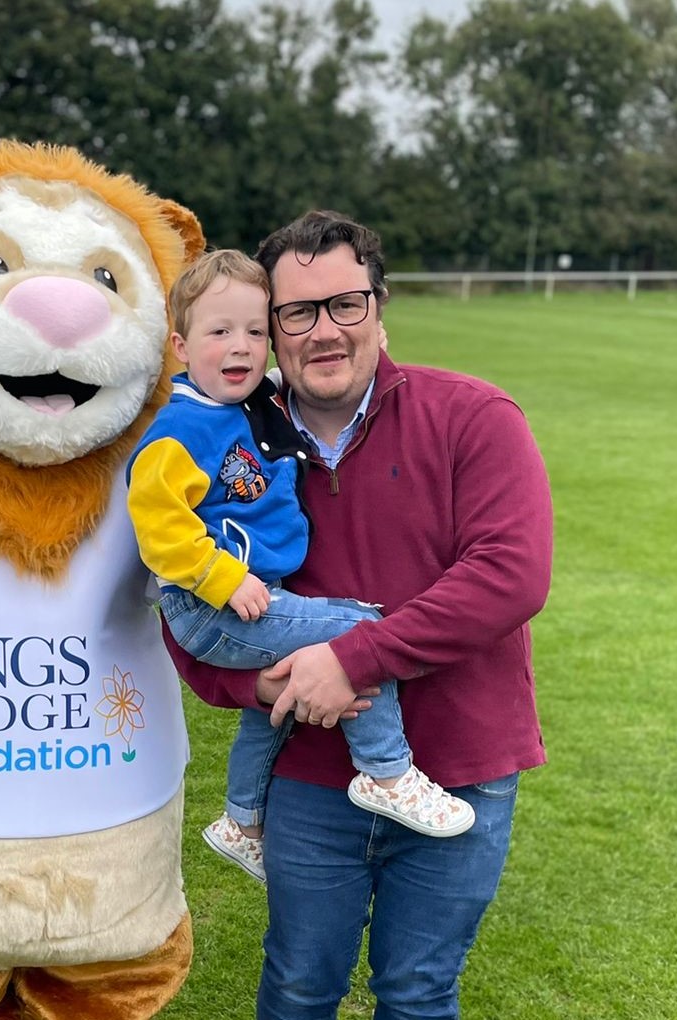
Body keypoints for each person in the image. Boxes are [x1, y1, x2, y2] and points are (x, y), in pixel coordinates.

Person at [165, 212, 553, 1019]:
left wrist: (354, 659)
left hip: (464, 767)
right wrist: (247, 687)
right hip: (311, 776)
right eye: (297, 312)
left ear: (379, 307)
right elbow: (178, 581)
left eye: (345, 303)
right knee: (300, 987)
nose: (324, 330)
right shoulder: (229, 436)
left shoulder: (475, 415)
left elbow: (510, 576)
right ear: (272, 329)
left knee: (418, 992)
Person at [127, 251, 473, 884]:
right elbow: (157, 527)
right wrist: (222, 579)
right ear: (180, 346)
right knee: (359, 631)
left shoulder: (253, 401)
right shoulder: (180, 430)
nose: (240, 346)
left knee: (277, 703)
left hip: (250, 595)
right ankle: (386, 772)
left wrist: (370, 348)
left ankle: (241, 822)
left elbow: (304, 380)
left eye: (255, 331)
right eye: (219, 332)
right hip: (209, 605)